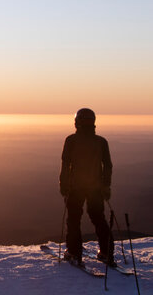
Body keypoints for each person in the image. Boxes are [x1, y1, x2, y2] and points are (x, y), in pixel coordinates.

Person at [59, 108, 114, 265]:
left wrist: (64, 185)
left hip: (75, 188)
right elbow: (108, 166)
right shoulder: (101, 142)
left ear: (77, 122)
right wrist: (106, 186)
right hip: (96, 188)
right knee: (98, 218)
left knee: (74, 220)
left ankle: (74, 252)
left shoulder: (71, 141)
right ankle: (106, 252)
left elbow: (65, 165)